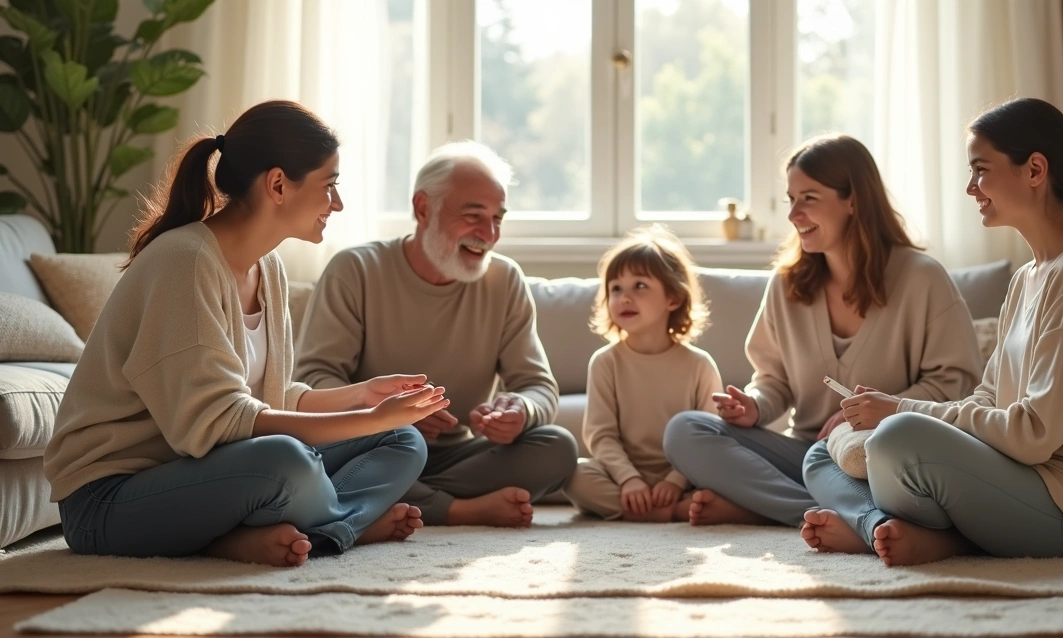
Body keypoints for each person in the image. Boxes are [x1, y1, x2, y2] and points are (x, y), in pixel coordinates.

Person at [43, 101, 443, 568]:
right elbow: (218, 422)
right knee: (286, 462)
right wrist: (367, 418)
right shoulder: (185, 261)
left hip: (205, 474)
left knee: (402, 439)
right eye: (329, 186)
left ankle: (320, 526)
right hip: (108, 501)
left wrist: (367, 400)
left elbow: (267, 397)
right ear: (277, 185)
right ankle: (336, 526)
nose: (337, 204)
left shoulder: (267, 268)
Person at [801, 97, 1063, 565]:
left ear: (1034, 170)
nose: (971, 187)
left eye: (980, 169)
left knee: (895, 437)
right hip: (1020, 478)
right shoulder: (1030, 276)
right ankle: (882, 529)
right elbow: (988, 400)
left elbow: (1033, 435)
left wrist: (903, 410)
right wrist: (894, 408)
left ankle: (923, 535)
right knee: (823, 454)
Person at [664, 134, 983, 527]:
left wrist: (873, 413)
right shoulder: (786, 286)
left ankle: (772, 507)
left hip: (880, 457)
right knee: (686, 430)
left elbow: (957, 384)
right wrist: (755, 406)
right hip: (809, 454)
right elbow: (773, 381)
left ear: (854, 200)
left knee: (895, 476)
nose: (794, 214)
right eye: (791, 199)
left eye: (809, 198)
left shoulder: (922, 278)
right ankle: (843, 514)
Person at [294, 141, 578, 529]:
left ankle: (388, 496)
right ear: (423, 208)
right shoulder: (355, 270)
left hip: (457, 454)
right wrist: (388, 415)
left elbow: (538, 386)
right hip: (372, 445)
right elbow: (311, 381)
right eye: (474, 215)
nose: (489, 233)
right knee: (307, 453)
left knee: (557, 447)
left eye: (498, 218)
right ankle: (456, 509)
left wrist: (520, 411)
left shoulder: (505, 280)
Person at [563, 225, 723, 522]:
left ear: (673, 299)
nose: (624, 298)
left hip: (684, 475)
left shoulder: (699, 364)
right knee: (576, 475)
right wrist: (628, 479)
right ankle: (670, 513)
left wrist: (675, 481)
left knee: (728, 471)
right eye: (616, 289)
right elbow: (601, 436)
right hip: (621, 474)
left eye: (639, 286)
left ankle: (667, 506)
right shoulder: (605, 362)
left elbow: (708, 436)